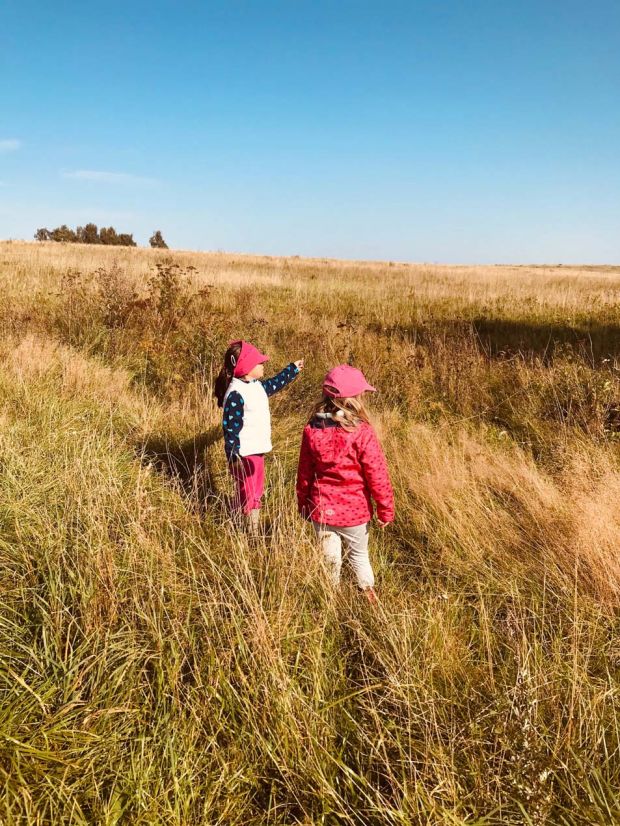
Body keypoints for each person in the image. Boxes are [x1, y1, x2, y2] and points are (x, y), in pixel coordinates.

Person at [296, 365, 394, 603]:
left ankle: (329, 598)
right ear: (354, 399)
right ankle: (368, 594)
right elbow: (377, 475)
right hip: (355, 512)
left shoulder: (311, 430)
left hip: (321, 509)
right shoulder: (362, 432)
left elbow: (304, 473)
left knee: (330, 559)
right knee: (359, 556)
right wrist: (385, 509)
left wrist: (303, 503)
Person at [214, 340, 303, 531]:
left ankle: (242, 523)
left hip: (257, 451)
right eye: (259, 362)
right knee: (248, 493)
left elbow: (276, 383)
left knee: (254, 490)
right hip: (244, 455)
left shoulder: (256, 386)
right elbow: (231, 429)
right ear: (246, 367)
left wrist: (292, 369)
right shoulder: (236, 393)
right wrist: (233, 457)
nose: (263, 364)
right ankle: (249, 531)